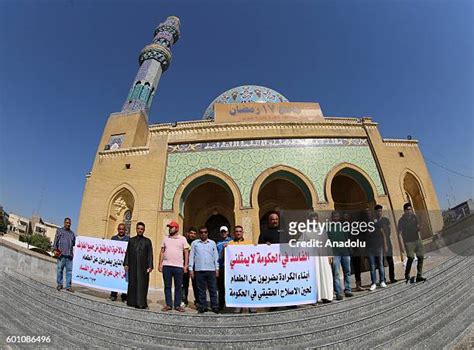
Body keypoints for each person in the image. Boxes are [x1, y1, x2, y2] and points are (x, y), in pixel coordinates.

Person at [159, 221, 190, 312]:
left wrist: (185, 265)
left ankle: (177, 305)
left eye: (171, 227)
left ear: (176, 228)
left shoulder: (182, 239)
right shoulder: (165, 238)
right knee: (167, 286)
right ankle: (168, 304)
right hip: (167, 266)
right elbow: (162, 251)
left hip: (178, 267)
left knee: (178, 286)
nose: (169, 229)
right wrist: (160, 264)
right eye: (169, 227)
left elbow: (186, 252)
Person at [189, 226, 219, 313]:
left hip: (211, 270)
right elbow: (192, 256)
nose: (203, 234)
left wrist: (217, 268)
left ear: (207, 233)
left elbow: (215, 256)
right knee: (201, 290)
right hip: (199, 270)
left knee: (213, 289)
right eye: (201, 232)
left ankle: (214, 306)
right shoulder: (195, 243)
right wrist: (191, 269)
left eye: (205, 232)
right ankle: (202, 306)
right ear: (199, 234)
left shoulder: (212, 243)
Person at [228, 225, 257, 313]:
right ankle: (238, 306)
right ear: (234, 233)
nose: (238, 233)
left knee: (249, 288)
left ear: (243, 232)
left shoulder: (249, 243)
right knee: (237, 288)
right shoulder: (230, 244)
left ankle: (251, 306)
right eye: (236, 231)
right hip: (235, 272)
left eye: (240, 231)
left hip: (247, 271)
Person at [124, 222, 153, 309]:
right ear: (136, 229)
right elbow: (128, 252)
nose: (140, 230)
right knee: (132, 283)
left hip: (143, 267)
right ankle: (131, 302)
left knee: (142, 284)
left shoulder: (147, 241)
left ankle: (141, 303)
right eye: (138, 228)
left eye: (141, 229)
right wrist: (126, 263)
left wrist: (150, 266)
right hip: (133, 266)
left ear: (144, 230)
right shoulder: (131, 240)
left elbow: (150, 254)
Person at [306, 212, 334, 303]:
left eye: (315, 219)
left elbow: (327, 242)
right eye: (312, 219)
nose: (314, 221)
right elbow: (300, 243)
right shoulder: (306, 232)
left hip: (324, 257)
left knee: (326, 275)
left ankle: (327, 296)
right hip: (313, 258)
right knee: (316, 276)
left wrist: (330, 254)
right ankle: (317, 297)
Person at [398, 203, 426, 283]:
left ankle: (419, 275)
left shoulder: (414, 217)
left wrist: (420, 227)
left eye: (410, 209)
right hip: (408, 242)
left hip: (417, 240)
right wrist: (401, 245)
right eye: (408, 210)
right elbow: (399, 233)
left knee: (421, 257)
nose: (409, 211)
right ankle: (407, 274)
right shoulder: (401, 220)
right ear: (404, 211)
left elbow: (418, 228)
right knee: (410, 258)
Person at [328, 211, 352, 300]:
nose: (336, 218)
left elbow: (347, 238)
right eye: (334, 216)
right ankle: (338, 293)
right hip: (335, 253)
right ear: (332, 217)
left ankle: (348, 290)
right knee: (336, 273)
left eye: (337, 216)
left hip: (345, 251)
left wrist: (350, 248)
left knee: (347, 271)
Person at [365, 208, 387, 291]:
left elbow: (383, 233)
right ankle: (373, 282)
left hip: (378, 246)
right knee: (372, 265)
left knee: (380, 264)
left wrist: (385, 245)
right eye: (366, 213)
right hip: (370, 248)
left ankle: (382, 281)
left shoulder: (376, 222)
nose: (368, 214)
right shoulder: (363, 223)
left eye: (369, 212)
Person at [374, 204, 397, 283]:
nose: (379, 212)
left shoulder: (386, 220)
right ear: (375, 212)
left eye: (380, 211)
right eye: (378, 211)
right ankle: (382, 279)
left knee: (390, 261)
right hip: (378, 244)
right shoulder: (374, 222)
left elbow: (389, 229)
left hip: (387, 242)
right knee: (381, 262)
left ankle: (392, 278)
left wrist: (386, 237)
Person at [53, 217, 76, 292]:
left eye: (69, 223)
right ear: (64, 223)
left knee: (69, 271)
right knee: (60, 270)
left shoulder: (72, 234)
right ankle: (60, 284)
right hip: (61, 255)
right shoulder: (59, 231)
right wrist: (54, 250)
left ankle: (68, 286)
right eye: (67, 223)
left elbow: (75, 244)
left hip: (69, 256)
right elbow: (55, 241)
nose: (68, 224)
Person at [346, 212, 366, 292]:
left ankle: (358, 284)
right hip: (346, 249)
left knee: (357, 267)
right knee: (347, 269)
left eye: (347, 216)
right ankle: (347, 287)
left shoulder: (354, 226)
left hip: (355, 249)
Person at [110, 223, 130, 302]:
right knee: (114, 279)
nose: (121, 231)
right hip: (115, 264)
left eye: (123, 229)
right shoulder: (113, 238)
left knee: (124, 280)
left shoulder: (128, 239)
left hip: (124, 264)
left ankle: (124, 296)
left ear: (125, 230)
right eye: (120, 229)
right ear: (118, 229)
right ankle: (113, 294)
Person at [216, 225, 232, 310]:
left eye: (225, 232)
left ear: (228, 232)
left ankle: (231, 303)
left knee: (231, 285)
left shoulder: (232, 241)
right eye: (222, 232)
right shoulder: (218, 243)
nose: (223, 233)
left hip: (231, 268)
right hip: (221, 267)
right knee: (221, 287)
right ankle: (221, 304)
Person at [182, 227, 199, 307]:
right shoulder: (184, 242)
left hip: (195, 267)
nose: (192, 235)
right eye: (191, 233)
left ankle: (198, 301)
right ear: (187, 233)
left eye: (194, 234)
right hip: (185, 266)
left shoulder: (197, 243)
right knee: (184, 284)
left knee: (196, 284)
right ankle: (184, 300)